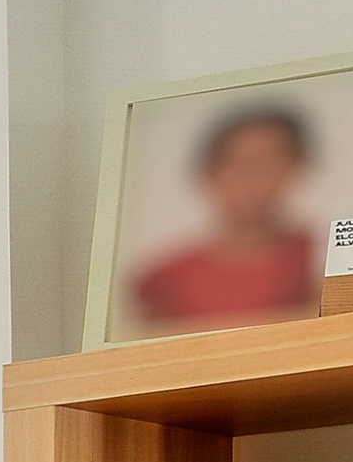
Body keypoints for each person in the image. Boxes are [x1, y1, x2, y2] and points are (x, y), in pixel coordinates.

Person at [126, 99, 323, 333]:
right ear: (208, 173)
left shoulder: (322, 259)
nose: (252, 177)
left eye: (269, 162)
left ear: (295, 167)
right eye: (236, 162)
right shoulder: (164, 278)